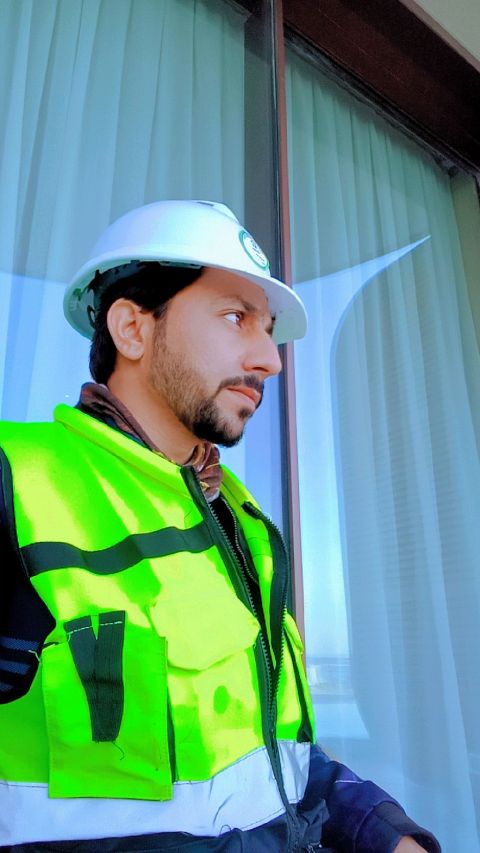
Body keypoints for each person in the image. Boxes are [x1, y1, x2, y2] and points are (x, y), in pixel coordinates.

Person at [0, 201, 440, 852]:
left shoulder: (241, 522)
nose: (271, 360)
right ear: (132, 328)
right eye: (236, 317)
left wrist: (384, 832)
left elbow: (279, 760)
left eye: (269, 330)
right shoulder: (17, 481)